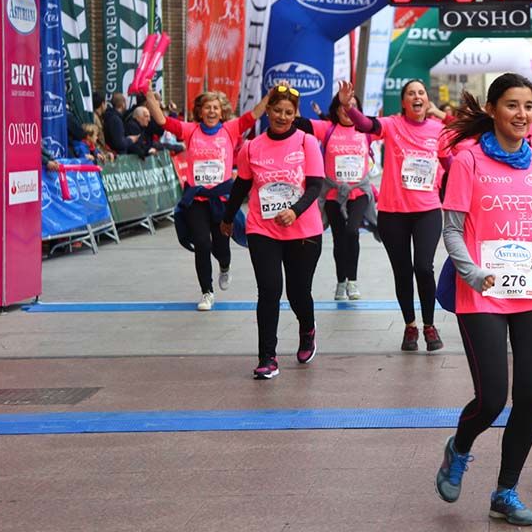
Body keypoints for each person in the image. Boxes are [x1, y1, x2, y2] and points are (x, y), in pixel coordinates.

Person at [434, 74, 532, 527]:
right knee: (490, 400)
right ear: (492, 108)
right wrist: (474, 272)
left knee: (529, 397)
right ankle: (460, 447)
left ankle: (505, 491)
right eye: (512, 105)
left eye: (528, 105)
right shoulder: (467, 161)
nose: (522, 114)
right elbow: (452, 229)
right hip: (481, 290)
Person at [221, 84, 325, 377]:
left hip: (303, 228)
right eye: (277, 110)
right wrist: (228, 218)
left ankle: (307, 329)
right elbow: (241, 185)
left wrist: (295, 211)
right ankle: (267, 357)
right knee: (269, 291)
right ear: (267, 111)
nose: (281, 116)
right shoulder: (252, 146)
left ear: (295, 115)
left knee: (297, 292)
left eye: (288, 112)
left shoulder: (306, 142)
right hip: (262, 228)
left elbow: (316, 184)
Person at [346, 79, 447, 352]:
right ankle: (410, 327)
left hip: (427, 210)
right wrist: (349, 107)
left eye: (421, 92)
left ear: (427, 101)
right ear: (403, 102)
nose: (417, 96)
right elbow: (367, 125)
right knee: (402, 271)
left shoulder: (439, 131)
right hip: (393, 213)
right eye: (411, 93)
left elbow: (451, 163)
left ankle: (429, 324)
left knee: (424, 268)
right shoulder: (392, 124)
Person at [146, 87, 269, 310]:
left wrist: (269, 97)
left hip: (222, 199)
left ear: (222, 113)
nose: (212, 111)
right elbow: (163, 121)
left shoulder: (230, 130)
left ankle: (224, 266)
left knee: (221, 247)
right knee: (202, 243)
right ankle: (206, 292)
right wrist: (149, 97)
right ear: (200, 112)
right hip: (197, 198)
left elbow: (253, 116)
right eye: (207, 108)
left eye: (216, 108)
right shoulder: (190, 130)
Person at [321, 81, 379, 301]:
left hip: (360, 191)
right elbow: (299, 123)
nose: (348, 111)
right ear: (336, 109)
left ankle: (352, 281)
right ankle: (340, 281)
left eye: (352, 107)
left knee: (352, 231)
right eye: (344, 107)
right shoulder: (327, 129)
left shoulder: (366, 132)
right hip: (333, 194)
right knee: (339, 238)